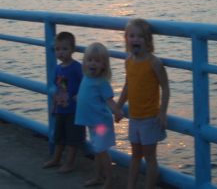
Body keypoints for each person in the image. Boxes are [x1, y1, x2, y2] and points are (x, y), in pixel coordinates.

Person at [117, 18, 170, 189]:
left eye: (140, 36)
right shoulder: (128, 61)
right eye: (131, 36)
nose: (135, 40)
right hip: (134, 117)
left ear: (148, 41)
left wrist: (162, 112)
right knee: (135, 155)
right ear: (126, 39)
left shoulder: (154, 63)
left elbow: (166, 88)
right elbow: (127, 86)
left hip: (149, 119)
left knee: (150, 157)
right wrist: (118, 106)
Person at [75, 42, 123, 189]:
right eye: (89, 60)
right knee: (97, 150)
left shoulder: (102, 82)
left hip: (101, 124)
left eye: (97, 61)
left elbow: (109, 100)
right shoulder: (86, 77)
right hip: (92, 122)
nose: (93, 64)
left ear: (104, 65)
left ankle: (108, 180)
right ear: (85, 62)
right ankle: (97, 176)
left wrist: (117, 111)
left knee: (102, 151)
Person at [43, 32, 85, 173]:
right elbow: (56, 88)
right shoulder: (58, 68)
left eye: (64, 49)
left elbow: (85, 83)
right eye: (57, 49)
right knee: (59, 136)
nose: (61, 52)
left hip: (74, 110)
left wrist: (80, 95)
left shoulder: (77, 67)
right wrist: (53, 106)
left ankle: (70, 162)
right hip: (60, 108)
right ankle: (56, 158)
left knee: (73, 138)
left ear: (72, 49)